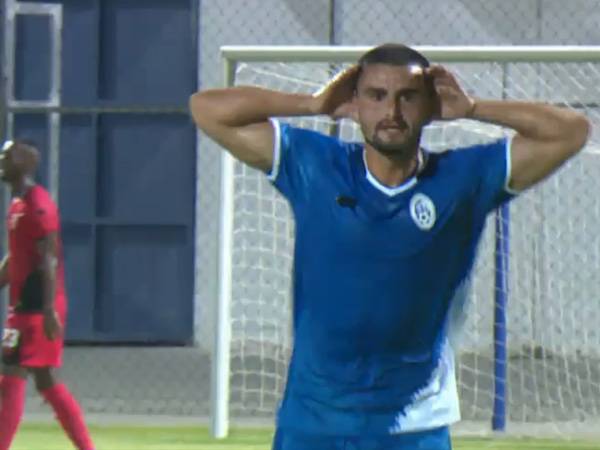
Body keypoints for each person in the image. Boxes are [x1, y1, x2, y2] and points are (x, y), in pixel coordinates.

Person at [189, 43, 590, 449]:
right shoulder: (315, 165)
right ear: (356, 103)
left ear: (429, 105)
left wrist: (473, 108)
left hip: (415, 427)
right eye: (376, 96)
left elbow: (571, 131)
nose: (391, 112)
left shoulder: (463, 178)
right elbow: (206, 108)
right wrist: (311, 104)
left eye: (407, 97)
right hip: (313, 422)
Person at [0, 140, 95, 450]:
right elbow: (17, 256)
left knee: (13, 377)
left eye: (7, 157)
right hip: (23, 306)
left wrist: (49, 310)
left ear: (25, 163)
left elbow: (49, 258)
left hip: (36, 307)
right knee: (41, 380)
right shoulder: (17, 204)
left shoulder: (38, 206)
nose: (1, 161)